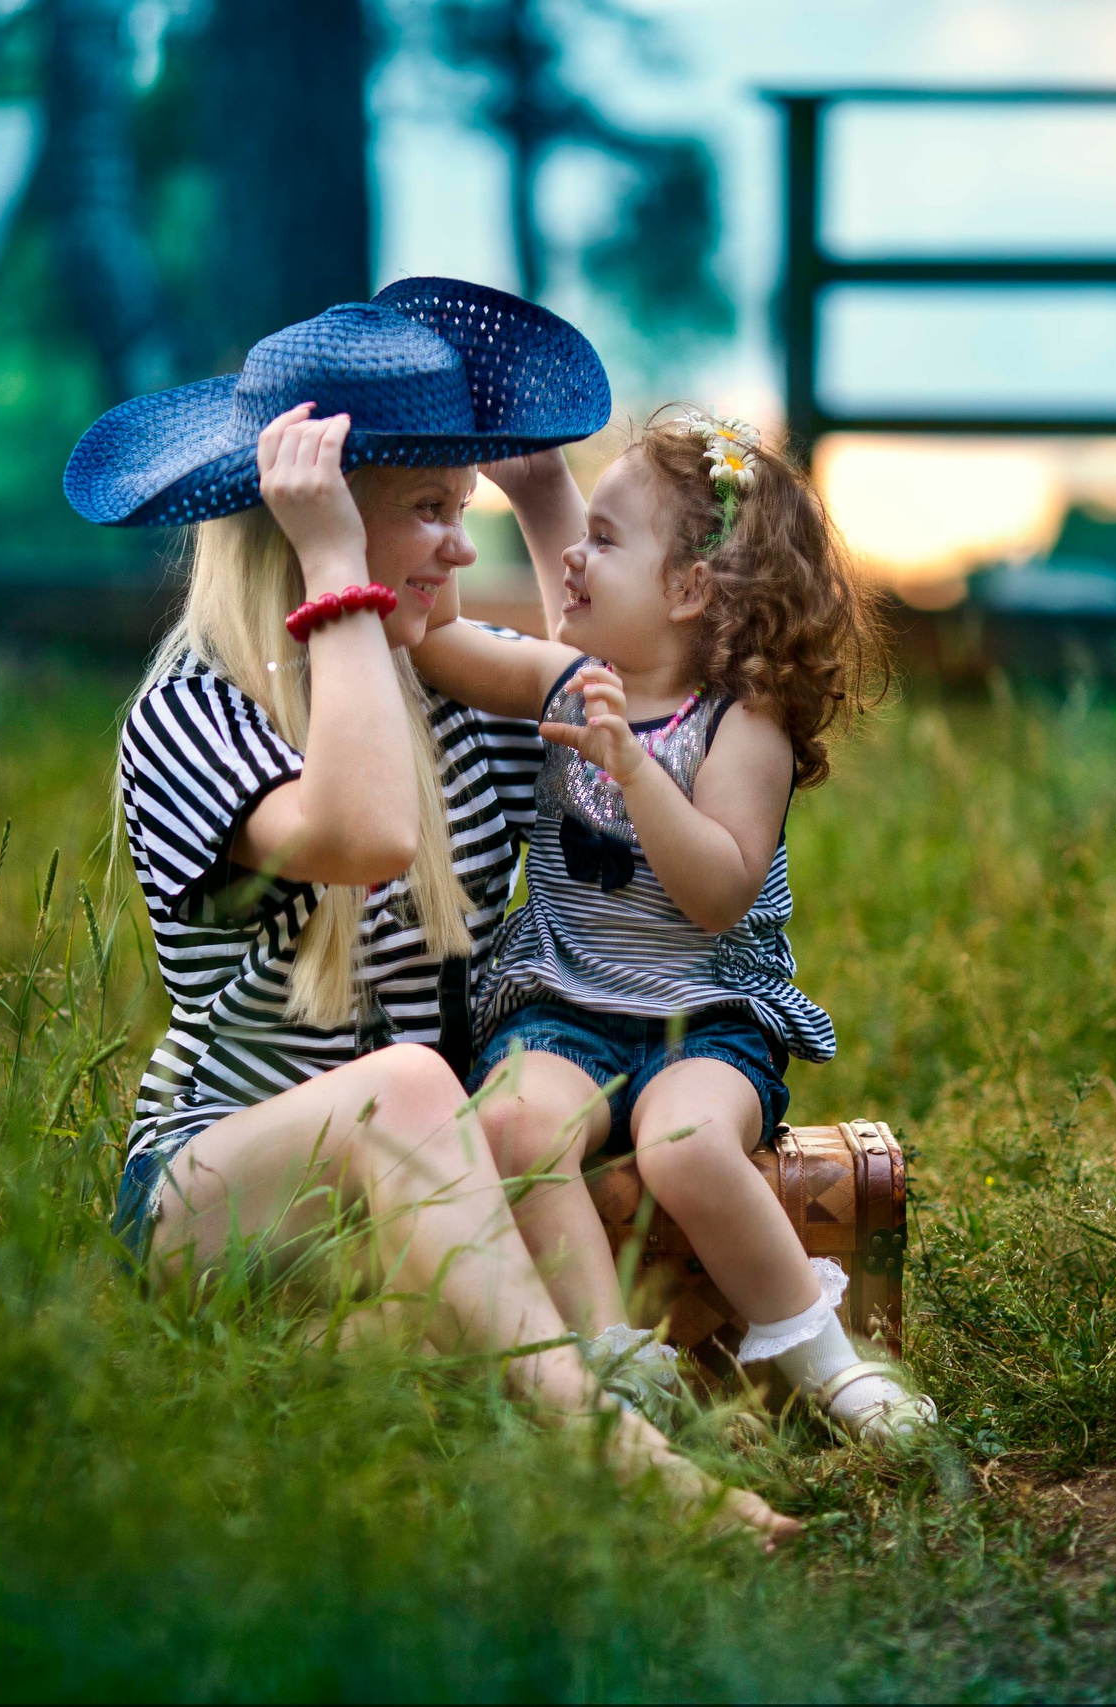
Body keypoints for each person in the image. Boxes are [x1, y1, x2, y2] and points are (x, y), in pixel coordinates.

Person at [65, 278, 795, 1543]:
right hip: (229, 1187)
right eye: (427, 514)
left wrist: (551, 500)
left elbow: (622, 687)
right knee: (411, 1082)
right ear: (310, 528)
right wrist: (338, 573)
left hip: (431, 1189)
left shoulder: (455, 692)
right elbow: (363, 836)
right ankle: (624, 1464)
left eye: (463, 512)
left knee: (415, 1314)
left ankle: (404, 1387)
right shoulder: (194, 710)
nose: (463, 550)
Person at [412, 411, 935, 1445]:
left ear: (691, 590)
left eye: (603, 542)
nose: (573, 559)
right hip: (564, 1008)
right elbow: (435, 645)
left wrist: (633, 769)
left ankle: (821, 1356)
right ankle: (613, 1366)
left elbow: (717, 893)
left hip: (705, 1020)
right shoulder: (573, 677)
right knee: (512, 1130)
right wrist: (526, 488)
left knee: (688, 1148)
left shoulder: (745, 721)